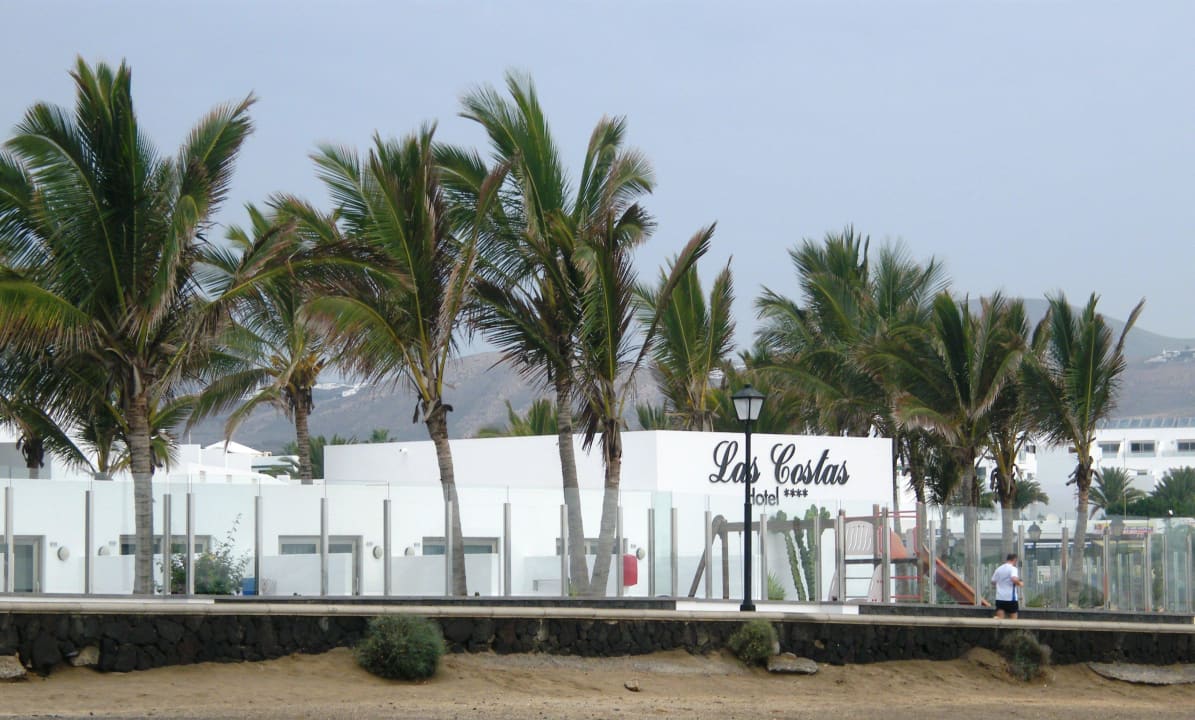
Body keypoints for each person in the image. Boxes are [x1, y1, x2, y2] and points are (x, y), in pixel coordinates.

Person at [991, 553, 1024, 619]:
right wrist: (1020, 583)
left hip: (1000, 598)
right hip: (1010, 598)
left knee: (1000, 620)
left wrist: (1001, 583)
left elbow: (993, 581)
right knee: (1013, 620)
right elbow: (1014, 579)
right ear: (1014, 560)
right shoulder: (1013, 568)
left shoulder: (999, 569)